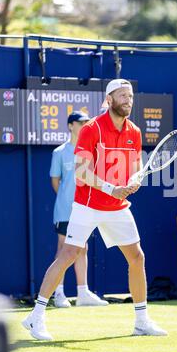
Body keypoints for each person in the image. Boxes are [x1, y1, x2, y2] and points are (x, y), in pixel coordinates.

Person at [22, 79, 167, 340]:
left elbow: (134, 168)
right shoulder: (92, 129)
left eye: (130, 96)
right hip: (88, 205)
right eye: (122, 96)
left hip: (118, 206)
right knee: (68, 254)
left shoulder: (134, 132)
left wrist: (133, 181)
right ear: (109, 100)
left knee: (137, 257)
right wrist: (111, 188)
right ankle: (36, 317)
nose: (128, 100)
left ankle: (142, 321)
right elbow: (81, 171)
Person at [49, 111, 108, 308]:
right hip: (65, 210)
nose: (85, 125)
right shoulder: (59, 152)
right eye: (81, 122)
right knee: (64, 248)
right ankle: (59, 293)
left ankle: (83, 293)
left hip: (85, 208)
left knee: (82, 248)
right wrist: (68, 198)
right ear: (71, 125)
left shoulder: (91, 151)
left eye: (87, 122)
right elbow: (56, 181)